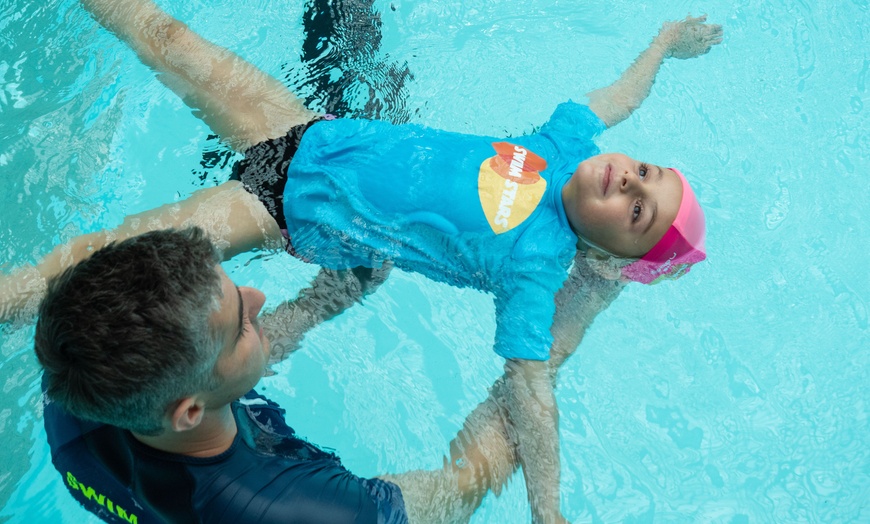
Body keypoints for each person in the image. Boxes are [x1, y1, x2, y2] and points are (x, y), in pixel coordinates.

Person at [4, 0, 723, 520]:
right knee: (164, 41)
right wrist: (661, 45)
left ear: (603, 249)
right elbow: (615, 100)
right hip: (301, 141)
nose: (629, 180)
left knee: (95, 236)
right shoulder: (567, 149)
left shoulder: (535, 269)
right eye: (646, 173)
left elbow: (529, 394)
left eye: (637, 213)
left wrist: (548, 510)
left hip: (281, 194)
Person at [37, 226, 624, 523]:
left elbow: (206, 363)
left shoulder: (80, 368)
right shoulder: (308, 510)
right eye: (242, 322)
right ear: (188, 410)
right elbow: (465, 481)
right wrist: (588, 294)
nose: (260, 295)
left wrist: (327, 299)